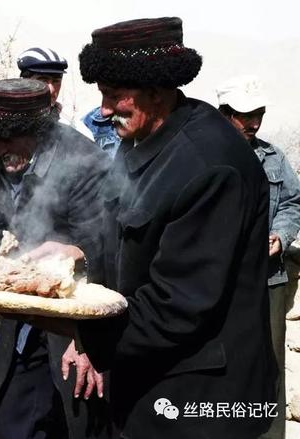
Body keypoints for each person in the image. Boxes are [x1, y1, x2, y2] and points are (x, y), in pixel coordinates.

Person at [29, 17, 277, 438]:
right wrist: (80, 254)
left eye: (114, 96)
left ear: (157, 92)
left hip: (202, 400)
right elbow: (128, 237)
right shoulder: (140, 142)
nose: (104, 111)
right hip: (151, 387)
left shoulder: (210, 166)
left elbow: (176, 306)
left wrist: (72, 323)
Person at [0, 78, 110, 438]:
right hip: (27, 316)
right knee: (12, 418)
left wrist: (87, 341)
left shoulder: (84, 163)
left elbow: (107, 252)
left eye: (8, 138)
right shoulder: (0, 159)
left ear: (36, 130)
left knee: (80, 418)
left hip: (77, 319)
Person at [217, 74, 300, 439]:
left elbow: (293, 202)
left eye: (259, 114)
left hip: (268, 281)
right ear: (224, 113)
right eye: (244, 115)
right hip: (219, 285)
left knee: (269, 368)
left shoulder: (274, 158)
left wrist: (281, 237)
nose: (253, 123)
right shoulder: (203, 157)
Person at [17, 47, 94, 140]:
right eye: (43, 80)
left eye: (56, 81)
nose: (51, 89)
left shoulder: (75, 130)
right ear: (24, 82)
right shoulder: (6, 123)